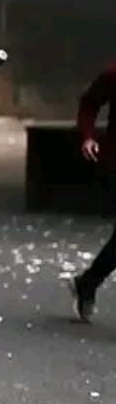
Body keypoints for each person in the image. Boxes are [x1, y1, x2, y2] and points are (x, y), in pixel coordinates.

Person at [71, 61, 116, 321]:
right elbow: (90, 102)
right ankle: (88, 282)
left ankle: (88, 282)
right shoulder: (114, 73)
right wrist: (87, 136)